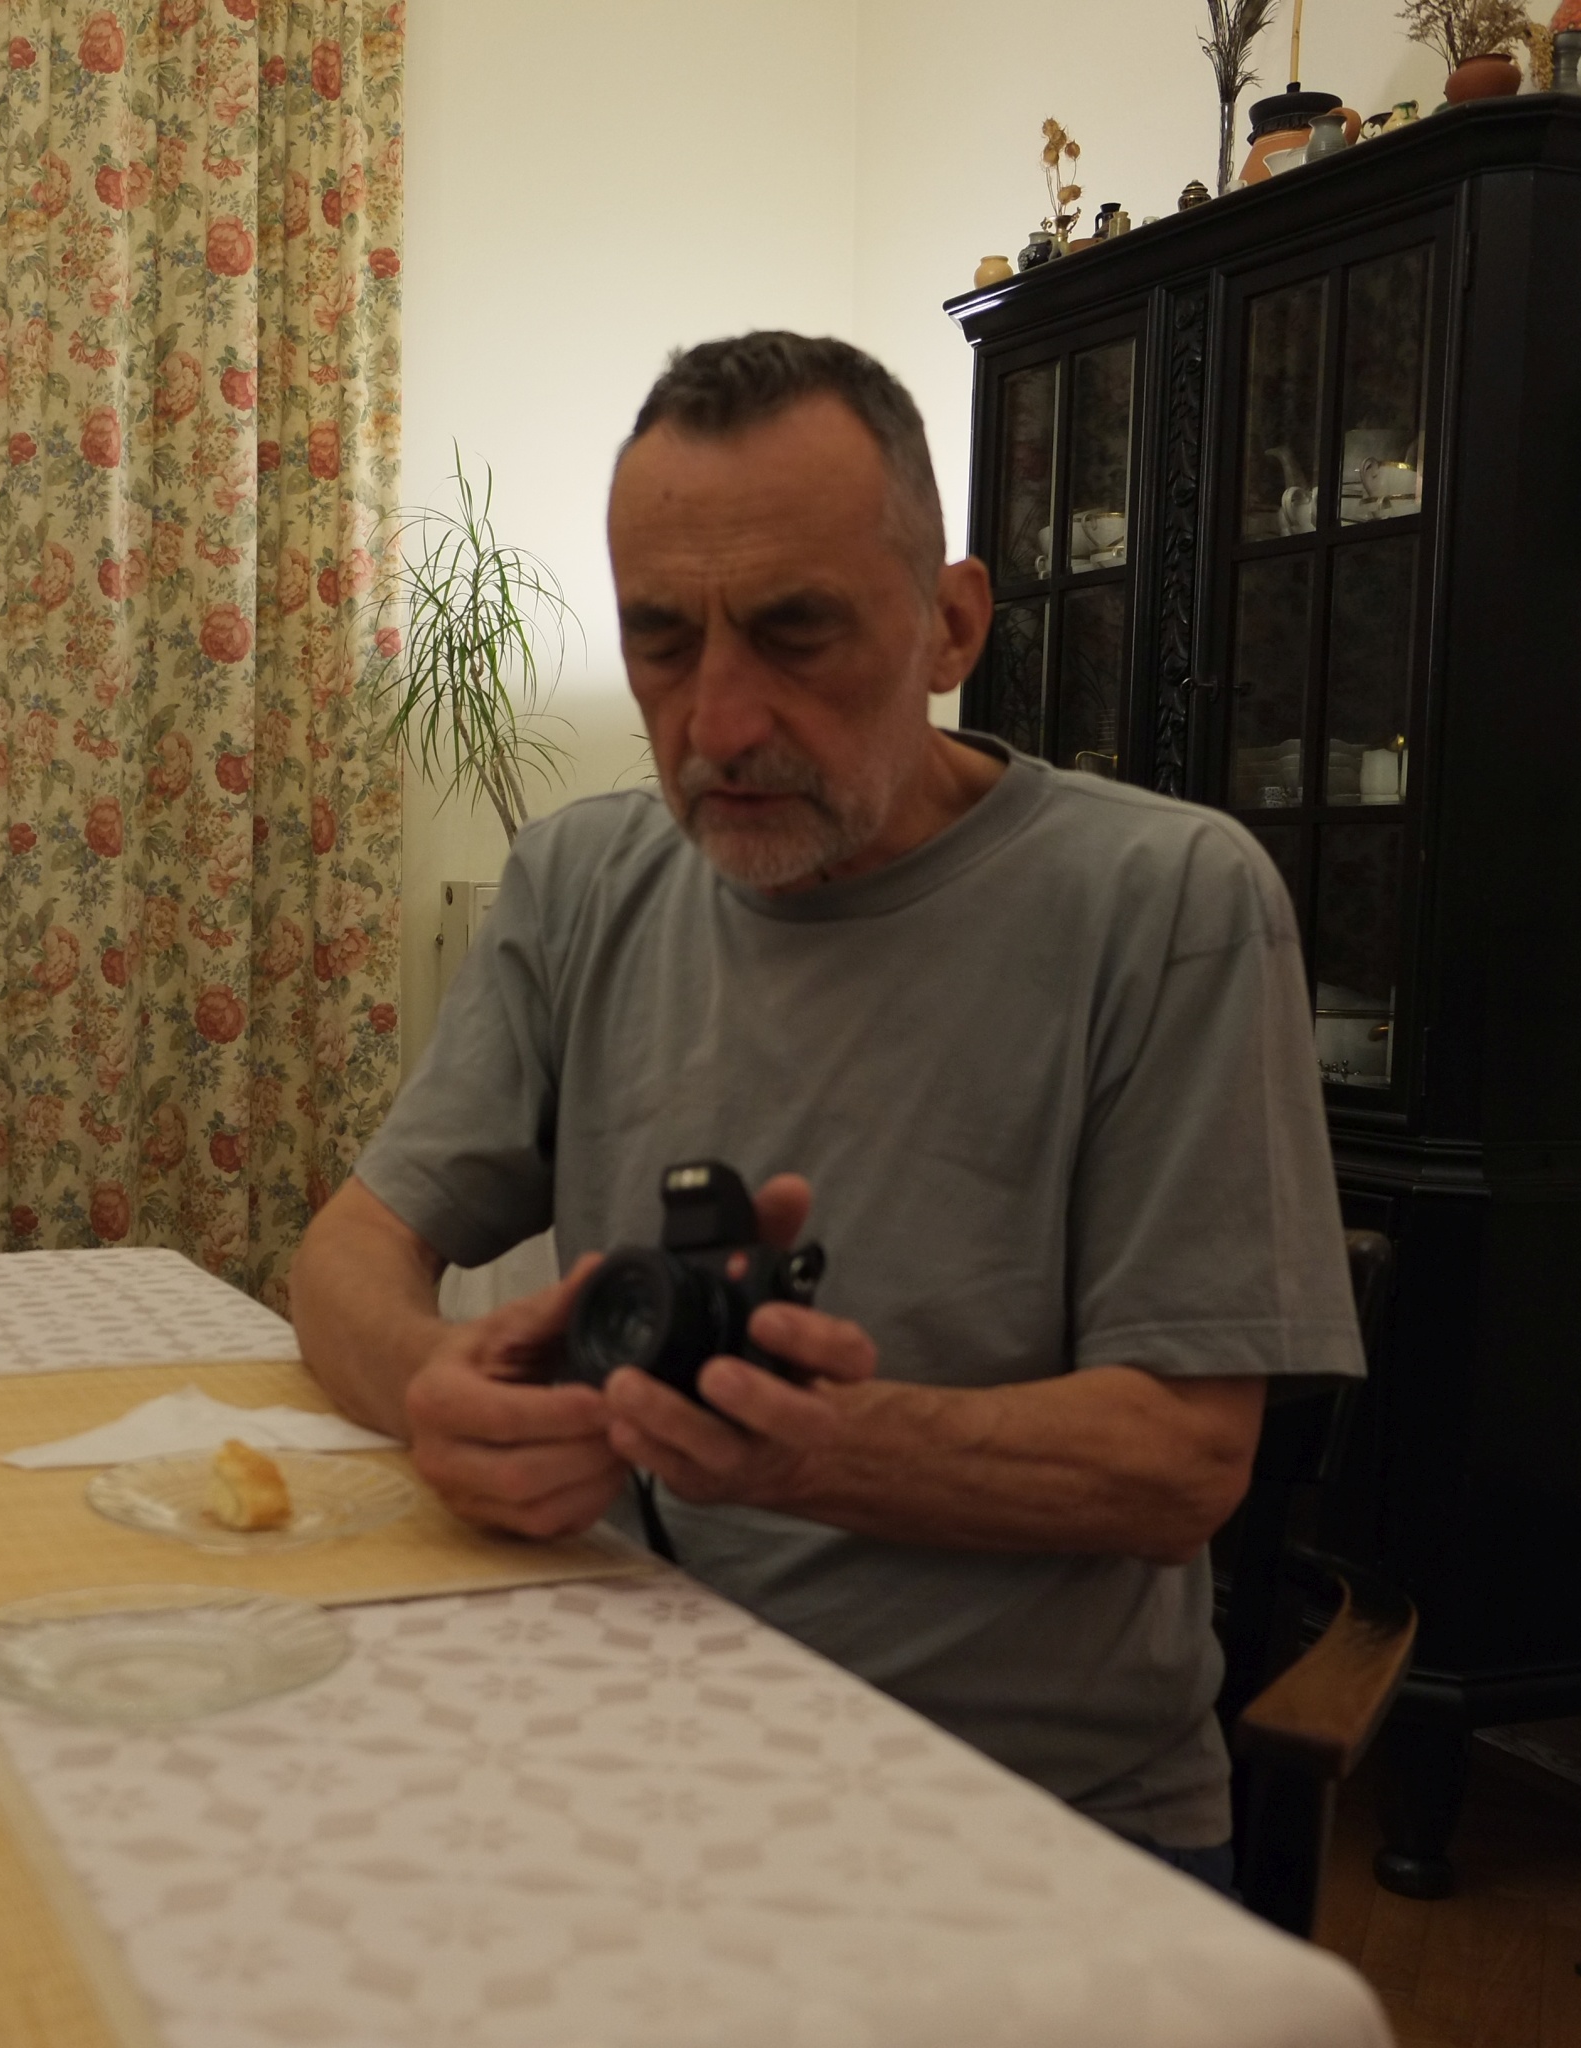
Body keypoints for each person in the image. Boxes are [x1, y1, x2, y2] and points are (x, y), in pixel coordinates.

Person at [287, 332, 1362, 1883]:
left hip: (1022, 1819)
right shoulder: (582, 881)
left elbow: (1179, 1463)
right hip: (618, 1731)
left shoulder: (1168, 902)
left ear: (951, 624)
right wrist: (434, 1386)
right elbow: (348, 1256)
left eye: (798, 634)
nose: (720, 723)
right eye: (663, 642)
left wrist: (809, 1450)